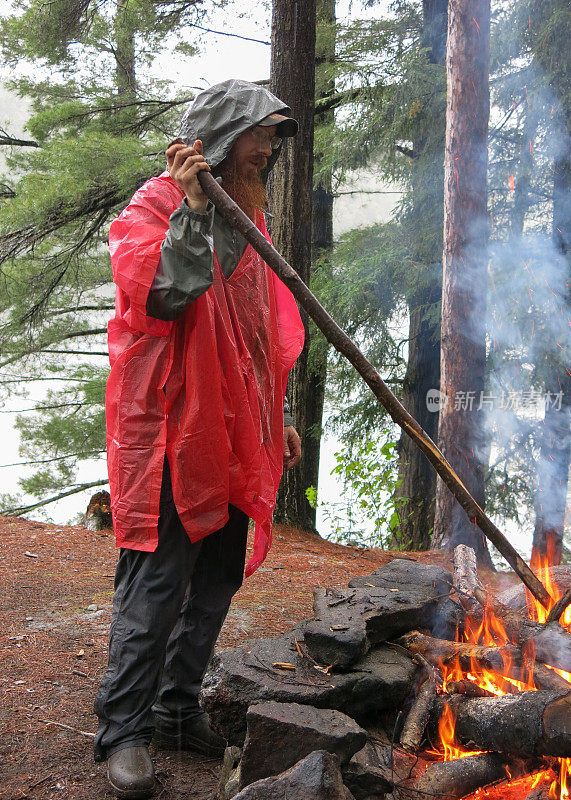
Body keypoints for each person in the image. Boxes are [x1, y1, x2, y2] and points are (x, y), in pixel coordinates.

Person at [94, 79, 305, 799]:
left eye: (274, 138)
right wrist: (192, 209)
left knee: (214, 577)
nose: (270, 151)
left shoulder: (247, 218)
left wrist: (274, 419)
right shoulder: (150, 211)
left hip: (230, 429)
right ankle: (125, 731)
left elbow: (251, 335)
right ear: (220, 140)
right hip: (165, 430)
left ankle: (177, 710)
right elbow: (162, 293)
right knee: (155, 583)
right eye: (262, 136)